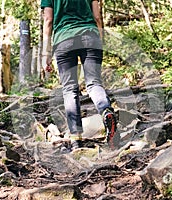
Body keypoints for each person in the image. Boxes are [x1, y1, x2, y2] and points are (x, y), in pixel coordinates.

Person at [41, 0, 118, 151]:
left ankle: (76, 138)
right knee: (94, 83)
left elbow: (48, 20)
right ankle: (106, 110)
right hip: (90, 36)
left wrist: (46, 53)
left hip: (64, 40)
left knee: (69, 89)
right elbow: (97, 16)